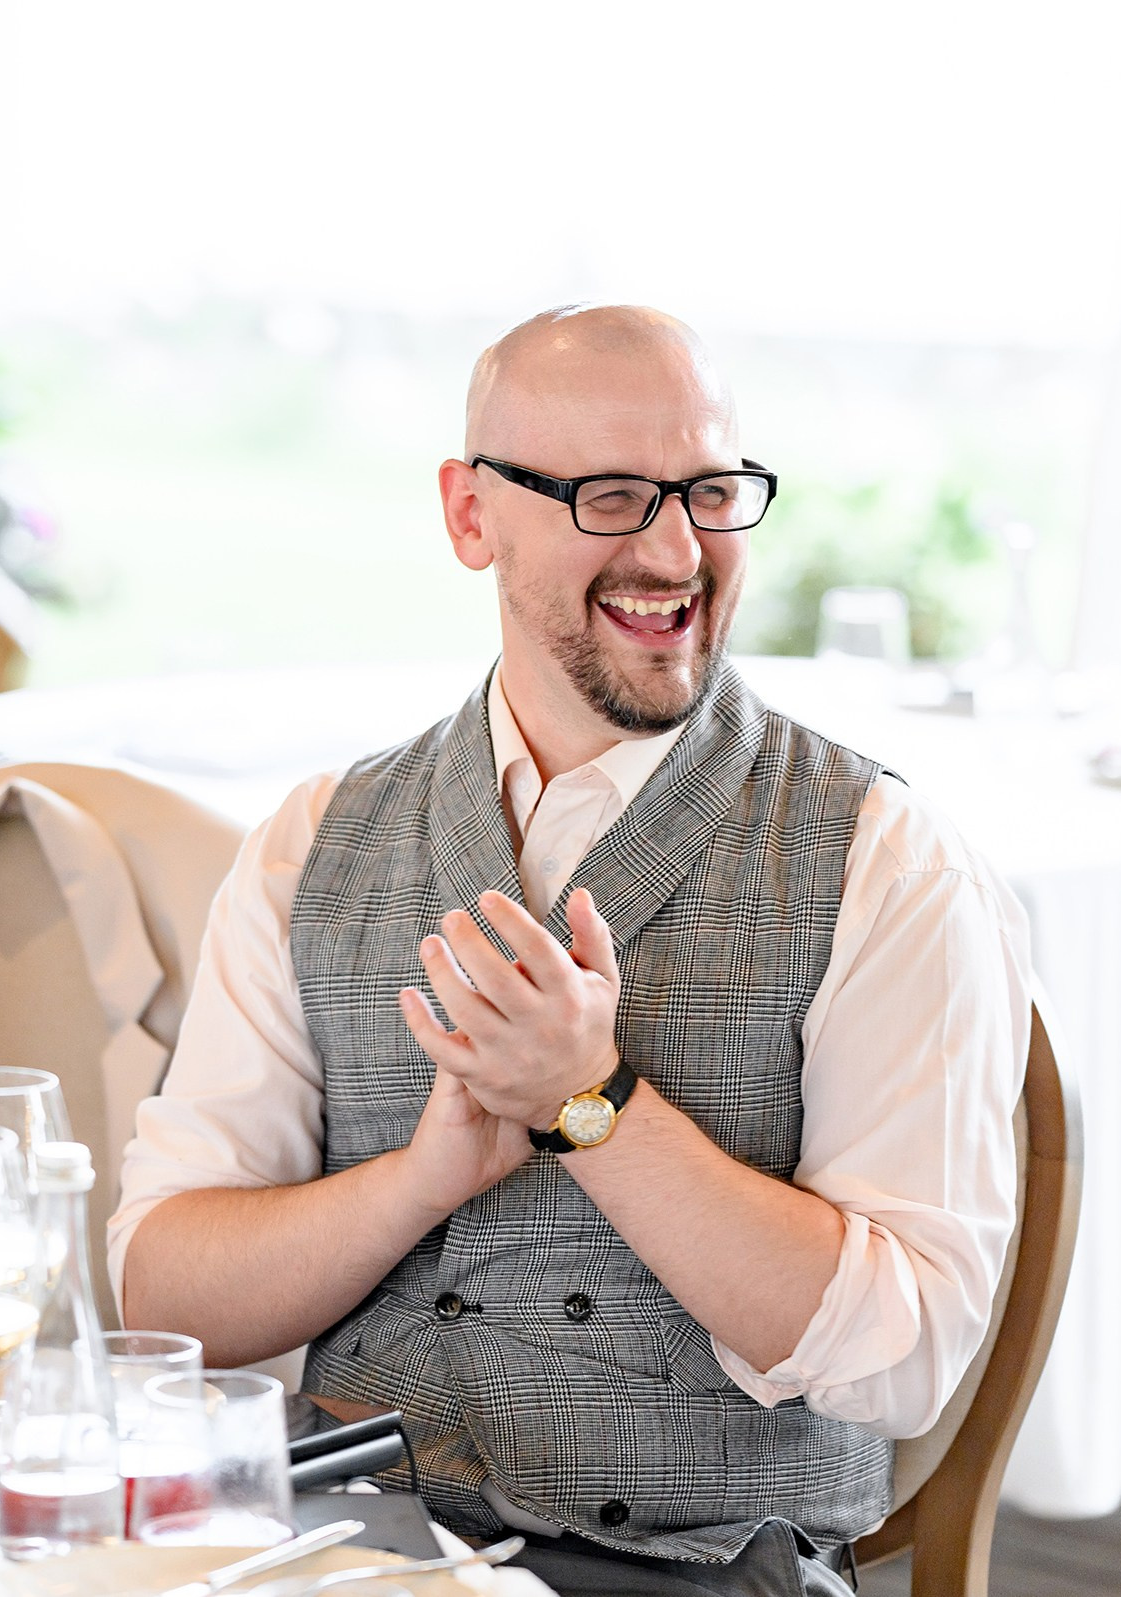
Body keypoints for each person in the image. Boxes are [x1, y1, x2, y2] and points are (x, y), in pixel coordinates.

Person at [112, 305, 1030, 1595]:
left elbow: (907, 1352)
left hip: (687, 1572)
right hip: (331, 1550)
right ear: (470, 515)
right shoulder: (311, 843)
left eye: (711, 491)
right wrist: (416, 1183)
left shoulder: (890, 861)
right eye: (610, 496)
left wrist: (591, 1107)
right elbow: (165, 1297)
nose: (675, 551)